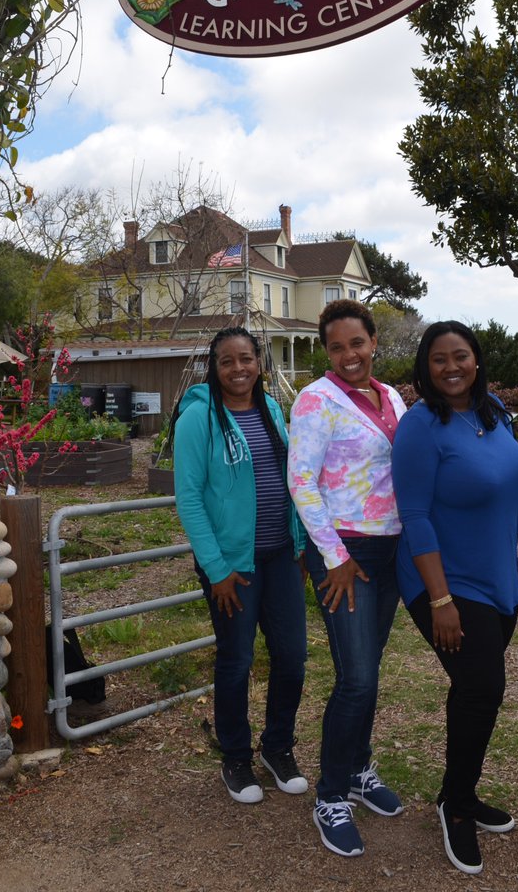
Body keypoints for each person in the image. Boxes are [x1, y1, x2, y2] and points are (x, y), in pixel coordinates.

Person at [391, 321, 518, 876]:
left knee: (473, 689)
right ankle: (455, 808)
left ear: (476, 362)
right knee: (484, 686)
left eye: (460, 356)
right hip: (444, 582)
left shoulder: (493, 410)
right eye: (439, 359)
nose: (451, 367)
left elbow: (515, 480)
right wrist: (440, 601)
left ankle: (459, 790)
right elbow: (413, 516)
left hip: (499, 578)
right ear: (425, 368)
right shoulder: (420, 427)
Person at [287, 299, 407, 858]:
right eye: (336, 346)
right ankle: (330, 795)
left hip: (389, 551)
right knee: (355, 678)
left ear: (374, 341)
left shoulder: (393, 398)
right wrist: (333, 556)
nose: (348, 354)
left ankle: (358, 769)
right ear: (326, 351)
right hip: (344, 553)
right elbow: (303, 483)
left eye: (356, 343)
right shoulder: (316, 400)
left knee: (369, 669)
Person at [174, 326, 308, 805]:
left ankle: (277, 748)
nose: (238, 369)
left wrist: (299, 543)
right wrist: (216, 569)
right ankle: (235, 756)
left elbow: (290, 477)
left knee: (292, 658)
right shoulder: (198, 418)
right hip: (232, 567)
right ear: (214, 366)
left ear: (258, 362)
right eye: (227, 361)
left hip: (279, 559)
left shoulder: (272, 409)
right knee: (237, 661)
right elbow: (189, 499)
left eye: (246, 359)